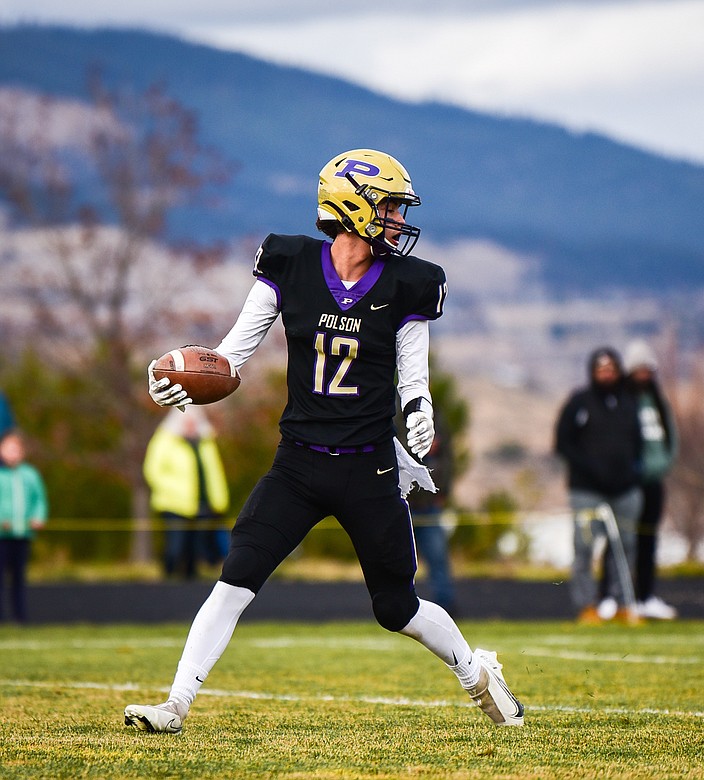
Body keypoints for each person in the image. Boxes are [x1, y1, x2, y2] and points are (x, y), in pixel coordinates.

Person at [124, 148, 523, 733]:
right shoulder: (290, 263)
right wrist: (186, 381)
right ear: (351, 205)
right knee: (237, 577)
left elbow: (414, 379)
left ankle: (477, 673)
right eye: (387, 206)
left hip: (369, 469)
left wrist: (420, 414)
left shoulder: (411, 283)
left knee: (397, 608)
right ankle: (176, 705)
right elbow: (232, 356)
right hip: (299, 464)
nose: (396, 219)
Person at [554, 347, 644, 625]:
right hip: (586, 490)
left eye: (611, 369)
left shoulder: (629, 403)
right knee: (584, 546)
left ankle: (622, 604)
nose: (606, 374)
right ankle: (587, 606)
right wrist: (592, 470)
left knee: (626, 546)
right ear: (593, 372)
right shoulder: (579, 403)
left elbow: (638, 445)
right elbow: (563, 443)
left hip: (625, 490)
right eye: (601, 369)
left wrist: (631, 473)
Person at [597, 339, 679, 621]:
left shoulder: (657, 401)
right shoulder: (623, 401)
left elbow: (671, 437)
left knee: (647, 538)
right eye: (639, 370)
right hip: (629, 482)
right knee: (619, 539)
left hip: (654, 482)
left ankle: (645, 596)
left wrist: (663, 463)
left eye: (648, 370)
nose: (644, 376)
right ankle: (609, 596)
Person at [143, 407, 231, 579]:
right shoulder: (165, 440)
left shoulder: (205, 443)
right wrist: (173, 492)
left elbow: (213, 473)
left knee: (197, 548)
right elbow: (153, 471)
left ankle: (189, 584)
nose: (190, 425)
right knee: (176, 545)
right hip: (174, 504)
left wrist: (219, 500)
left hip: (202, 504)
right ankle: (168, 578)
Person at [401, 406, 458, 615]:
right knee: (398, 560)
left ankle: (446, 606)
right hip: (403, 504)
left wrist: (443, 491)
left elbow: (448, 458)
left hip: (430, 506)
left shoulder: (437, 416)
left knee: (437, 557)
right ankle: (400, 606)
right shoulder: (394, 414)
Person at [0, 430, 48, 623]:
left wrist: (38, 517)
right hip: (2, 536)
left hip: (23, 535)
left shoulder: (30, 475)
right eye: (8, 449)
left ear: (22, 452)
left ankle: (20, 617)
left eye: (15, 449)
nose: (12, 453)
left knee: (19, 579)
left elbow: (39, 500)